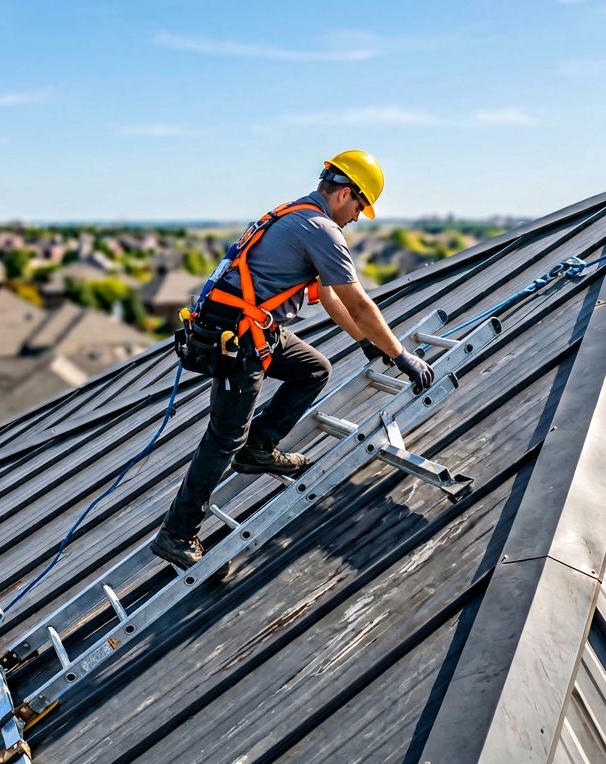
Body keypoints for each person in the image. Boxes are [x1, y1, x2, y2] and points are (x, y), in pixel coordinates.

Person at [150, 150, 435, 570]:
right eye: (359, 206)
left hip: (253, 328)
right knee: (223, 437)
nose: (357, 217)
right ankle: (177, 533)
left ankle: (259, 447)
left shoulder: (294, 213)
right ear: (344, 193)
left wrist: (366, 342)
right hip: (237, 337)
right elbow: (358, 302)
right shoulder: (321, 228)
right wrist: (401, 355)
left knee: (313, 369)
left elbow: (328, 294)